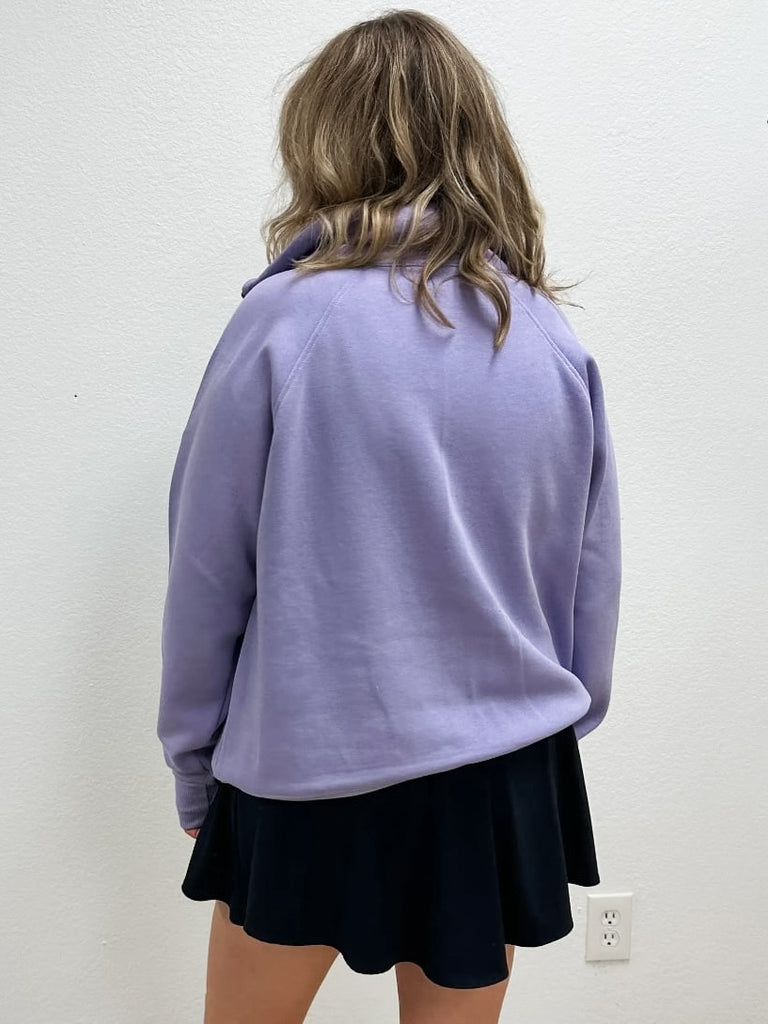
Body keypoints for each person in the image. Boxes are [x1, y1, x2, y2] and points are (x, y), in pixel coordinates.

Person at [156, 9, 622, 1024]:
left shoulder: (283, 323)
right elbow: (583, 568)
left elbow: (207, 566)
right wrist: (560, 724)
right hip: (500, 764)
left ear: (323, 139)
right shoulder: (547, 338)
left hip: (308, 761)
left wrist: (195, 763)